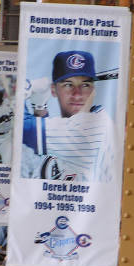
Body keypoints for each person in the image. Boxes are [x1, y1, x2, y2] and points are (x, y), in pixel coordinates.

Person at [22, 51, 114, 182]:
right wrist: (40, 106)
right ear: (54, 90)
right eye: (68, 85)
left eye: (85, 85)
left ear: (94, 90)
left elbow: (24, 130)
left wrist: (24, 89)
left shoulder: (93, 127)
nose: (77, 94)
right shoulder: (70, 128)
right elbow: (43, 149)